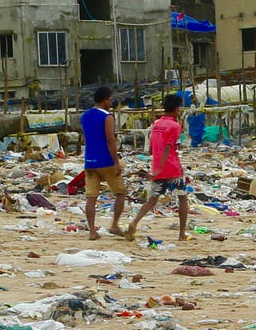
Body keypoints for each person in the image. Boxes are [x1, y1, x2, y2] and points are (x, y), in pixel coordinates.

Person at [126, 93, 191, 242]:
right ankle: (181, 233)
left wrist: (157, 168)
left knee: (152, 200)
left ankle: (134, 222)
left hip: (157, 167)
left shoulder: (156, 124)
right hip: (172, 168)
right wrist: (163, 166)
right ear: (176, 108)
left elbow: (152, 147)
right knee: (182, 198)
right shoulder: (175, 125)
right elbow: (169, 147)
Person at [79, 85, 128, 238]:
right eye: (110, 100)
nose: (111, 102)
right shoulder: (107, 116)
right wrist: (116, 161)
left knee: (91, 197)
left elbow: (86, 138)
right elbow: (110, 140)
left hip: (90, 161)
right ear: (105, 100)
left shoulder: (84, 116)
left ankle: (92, 231)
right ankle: (114, 225)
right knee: (120, 193)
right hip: (106, 160)